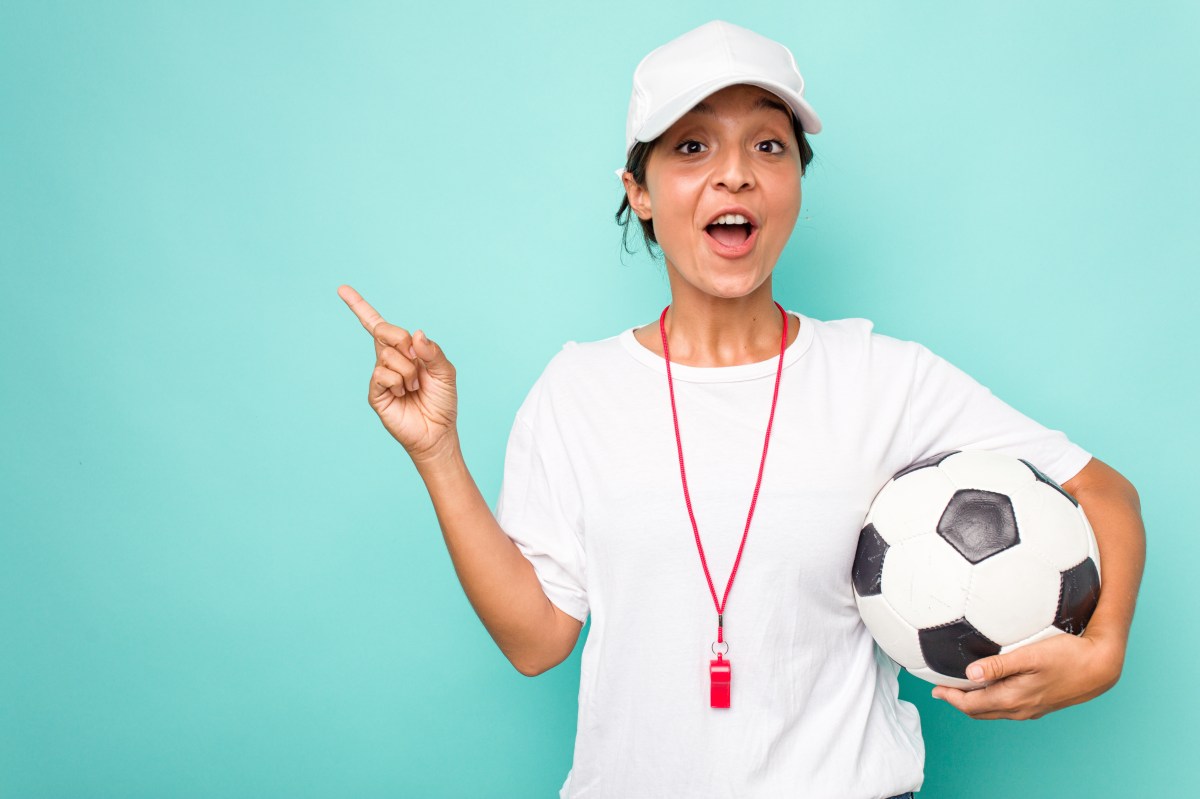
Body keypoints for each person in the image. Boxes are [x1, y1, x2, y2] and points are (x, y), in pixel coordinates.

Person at [337, 19, 1142, 799]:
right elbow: (536, 638)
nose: (736, 173)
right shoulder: (576, 391)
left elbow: (1105, 491)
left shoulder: (883, 377)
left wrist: (1101, 652)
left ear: (795, 182)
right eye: (692, 146)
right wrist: (437, 452)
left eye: (769, 145)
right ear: (639, 192)